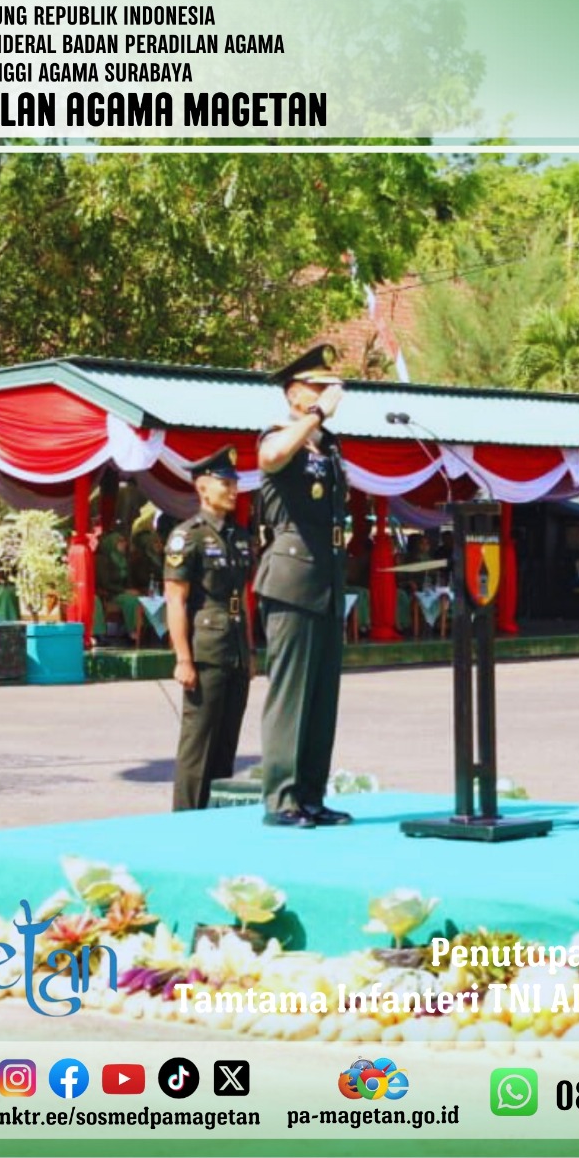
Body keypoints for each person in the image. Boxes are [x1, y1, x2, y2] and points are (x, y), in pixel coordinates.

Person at [255, 345, 352, 829]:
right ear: (294, 394)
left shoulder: (327, 446)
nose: (329, 395)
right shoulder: (278, 435)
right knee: (291, 693)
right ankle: (282, 799)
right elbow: (272, 457)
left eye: (330, 388)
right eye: (318, 388)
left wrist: (319, 426)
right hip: (292, 579)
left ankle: (311, 796)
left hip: (326, 579)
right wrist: (316, 416)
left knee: (321, 697)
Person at [164, 446, 256, 812]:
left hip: (235, 649)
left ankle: (215, 816)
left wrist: (249, 651)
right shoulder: (188, 536)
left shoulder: (239, 536)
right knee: (198, 743)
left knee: (226, 743)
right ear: (203, 487)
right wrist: (183, 658)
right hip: (206, 651)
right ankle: (186, 818)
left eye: (235, 483)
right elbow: (175, 600)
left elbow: (243, 598)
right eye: (226, 483)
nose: (234, 490)